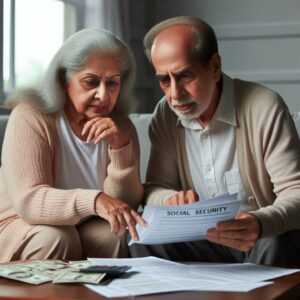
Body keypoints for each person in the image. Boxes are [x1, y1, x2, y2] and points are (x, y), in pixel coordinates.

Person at [129, 16, 300, 265]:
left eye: (185, 75)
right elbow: (155, 187)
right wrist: (169, 199)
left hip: (258, 236)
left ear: (215, 66)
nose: (175, 94)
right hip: (200, 238)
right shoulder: (165, 114)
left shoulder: (264, 106)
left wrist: (261, 223)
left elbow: (295, 191)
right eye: (164, 80)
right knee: (138, 238)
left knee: (278, 242)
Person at [0, 28, 147, 263]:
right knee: (57, 238)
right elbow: (29, 201)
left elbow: (124, 206)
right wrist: (94, 200)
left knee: (119, 233)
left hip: (80, 227)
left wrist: (121, 148)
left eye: (112, 83)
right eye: (91, 82)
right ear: (63, 79)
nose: (103, 95)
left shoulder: (122, 127)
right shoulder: (31, 116)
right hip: (19, 225)